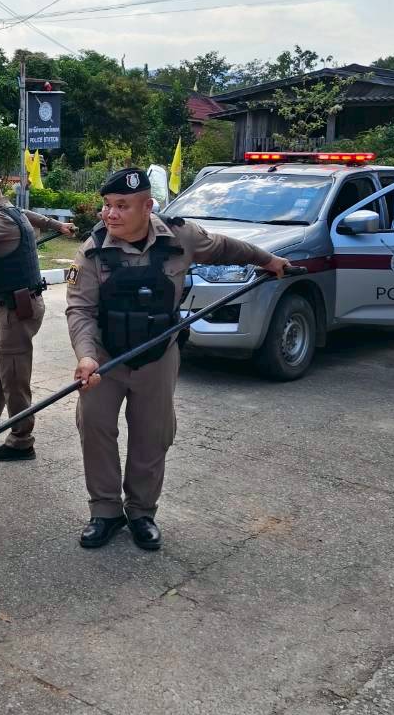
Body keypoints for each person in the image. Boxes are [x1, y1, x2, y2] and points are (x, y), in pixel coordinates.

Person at [66, 166, 292, 553]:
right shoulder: (92, 251)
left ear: (147, 207)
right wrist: (86, 357)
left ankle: (142, 513)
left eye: (121, 206)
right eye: (107, 205)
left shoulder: (180, 236)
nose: (110, 214)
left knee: (153, 435)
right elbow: (80, 310)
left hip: (158, 354)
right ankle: (105, 511)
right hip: (105, 359)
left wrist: (268, 260)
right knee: (95, 428)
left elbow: (226, 247)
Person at [0, 162, 71, 463]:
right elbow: (30, 215)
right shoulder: (10, 211)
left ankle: (22, 440)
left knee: (14, 377)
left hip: (19, 309)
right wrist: (56, 225)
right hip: (10, 306)